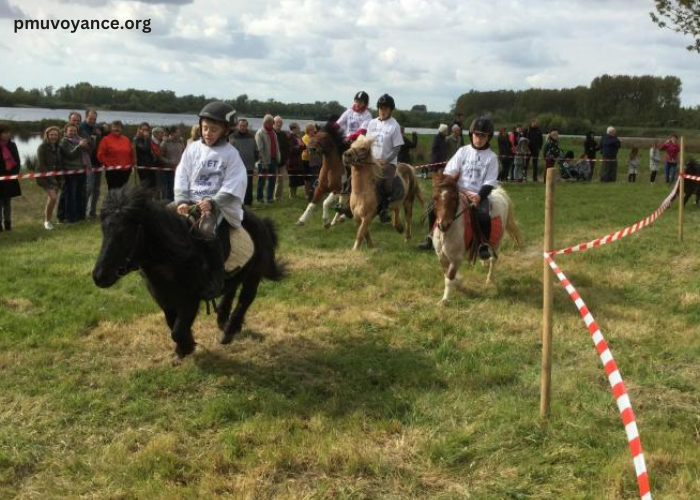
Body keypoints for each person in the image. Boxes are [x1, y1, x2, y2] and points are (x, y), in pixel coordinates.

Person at [174, 101, 246, 300]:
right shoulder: (192, 149)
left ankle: (216, 277)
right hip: (189, 199)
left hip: (215, 203)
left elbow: (234, 182)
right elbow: (182, 173)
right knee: (161, 217)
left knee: (206, 231)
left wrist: (213, 202)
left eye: (214, 129)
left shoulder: (231, 155)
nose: (208, 133)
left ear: (225, 131)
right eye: (205, 128)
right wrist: (181, 199)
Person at [443, 116, 499, 260]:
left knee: (483, 215)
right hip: (459, 191)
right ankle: (431, 237)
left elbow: (490, 181)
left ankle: (483, 244)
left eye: (483, 136)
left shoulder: (491, 157)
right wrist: (457, 190)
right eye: (476, 135)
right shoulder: (462, 151)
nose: (479, 138)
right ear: (471, 134)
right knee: (434, 206)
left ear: (489, 137)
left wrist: (479, 196)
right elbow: (449, 172)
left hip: (479, 194)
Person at [365, 94, 404, 223]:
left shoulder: (394, 125)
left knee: (382, 181)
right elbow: (367, 143)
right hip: (371, 161)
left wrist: (386, 160)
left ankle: (383, 209)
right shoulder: (372, 123)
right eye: (380, 108)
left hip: (387, 162)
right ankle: (347, 202)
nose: (382, 110)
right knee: (354, 175)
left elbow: (397, 147)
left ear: (390, 110)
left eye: (385, 108)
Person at [59, 122, 89, 223]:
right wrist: (80, 146)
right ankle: (70, 217)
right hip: (70, 172)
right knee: (70, 195)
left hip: (81, 170)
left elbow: (88, 152)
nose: (73, 132)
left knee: (80, 194)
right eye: (70, 131)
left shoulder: (80, 140)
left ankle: (80, 216)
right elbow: (69, 155)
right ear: (66, 131)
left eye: (74, 131)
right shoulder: (63, 141)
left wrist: (86, 145)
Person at [36, 126, 63, 230]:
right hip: (44, 176)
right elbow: (41, 165)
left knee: (52, 199)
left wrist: (60, 178)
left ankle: (49, 220)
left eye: (55, 135)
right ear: (47, 135)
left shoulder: (58, 147)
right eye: (51, 134)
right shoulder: (42, 147)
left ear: (58, 136)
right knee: (53, 197)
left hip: (56, 176)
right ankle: (47, 222)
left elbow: (59, 163)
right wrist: (51, 178)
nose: (53, 137)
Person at [97, 120, 135, 191]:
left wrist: (131, 164)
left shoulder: (126, 139)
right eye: (114, 127)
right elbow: (100, 155)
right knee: (113, 192)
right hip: (112, 171)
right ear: (111, 128)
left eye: (119, 127)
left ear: (122, 128)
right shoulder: (106, 139)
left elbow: (131, 153)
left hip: (126, 171)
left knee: (123, 191)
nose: (116, 129)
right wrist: (108, 165)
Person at [229, 118, 258, 206]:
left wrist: (254, 159)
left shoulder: (251, 136)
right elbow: (229, 152)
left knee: (248, 185)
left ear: (247, 126)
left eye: (244, 126)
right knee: (237, 185)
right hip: (236, 167)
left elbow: (256, 150)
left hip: (249, 166)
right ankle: (237, 203)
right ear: (238, 126)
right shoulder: (232, 137)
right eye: (241, 125)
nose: (243, 127)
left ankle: (248, 202)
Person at [80, 109, 102, 219]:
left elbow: (103, 134)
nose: (93, 120)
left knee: (96, 189)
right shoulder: (80, 127)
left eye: (94, 119)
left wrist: (104, 129)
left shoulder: (97, 127)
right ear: (85, 117)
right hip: (87, 163)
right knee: (88, 188)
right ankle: (82, 212)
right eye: (90, 118)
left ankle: (92, 212)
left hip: (97, 162)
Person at [255, 114, 281, 204]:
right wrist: (264, 162)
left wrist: (278, 157)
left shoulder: (273, 133)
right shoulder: (260, 133)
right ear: (267, 123)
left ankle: (269, 198)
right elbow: (259, 149)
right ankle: (260, 198)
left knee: (272, 180)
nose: (273, 124)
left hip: (273, 160)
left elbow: (276, 147)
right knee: (261, 181)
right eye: (272, 123)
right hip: (264, 162)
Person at [0, 124, 21, 232]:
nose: (8, 134)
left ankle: (8, 224)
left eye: (8, 132)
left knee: (7, 202)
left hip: (10, 178)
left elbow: (17, 161)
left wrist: (14, 174)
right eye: (5, 132)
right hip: (0, 178)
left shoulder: (12, 145)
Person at [159, 126, 185, 202]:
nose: (179, 133)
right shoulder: (165, 143)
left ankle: (176, 203)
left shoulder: (181, 142)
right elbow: (160, 156)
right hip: (168, 170)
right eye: (178, 132)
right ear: (172, 133)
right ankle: (167, 205)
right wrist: (169, 162)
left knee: (177, 188)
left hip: (179, 171)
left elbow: (184, 153)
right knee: (168, 189)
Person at [133, 122, 159, 190]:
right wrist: (146, 138)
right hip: (142, 166)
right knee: (145, 186)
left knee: (153, 185)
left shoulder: (149, 139)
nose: (145, 131)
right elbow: (145, 149)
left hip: (151, 165)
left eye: (146, 130)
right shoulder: (137, 139)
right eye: (143, 129)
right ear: (139, 130)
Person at [302, 122, 320, 201]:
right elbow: (309, 147)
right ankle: (308, 194)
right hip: (306, 159)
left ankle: (314, 193)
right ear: (308, 131)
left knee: (315, 177)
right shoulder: (304, 138)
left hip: (314, 160)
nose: (313, 131)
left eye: (313, 130)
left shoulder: (316, 137)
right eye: (312, 130)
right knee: (307, 178)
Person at [273, 116, 290, 200]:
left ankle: (278, 197)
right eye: (277, 122)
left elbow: (287, 147)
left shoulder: (283, 134)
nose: (279, 124)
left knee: (280, 180)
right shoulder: (271, 133)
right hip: (273, 160)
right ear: (274, 123)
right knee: (272, 179)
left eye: (280, 123)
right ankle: (270, 197)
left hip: (282, 161)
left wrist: (286, 158)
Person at [287, 123, 306, 198]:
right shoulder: (290, 137)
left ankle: (294, 194)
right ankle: (291, 195)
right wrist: (300, 147)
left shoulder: (298, 137)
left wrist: (302, 147)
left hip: (298, 161)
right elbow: (291, 149)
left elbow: (303, 146)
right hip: (292, 161)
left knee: (297, 179)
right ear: (294, 129)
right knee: (292, 179)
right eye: (298, 128)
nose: (299, 129)